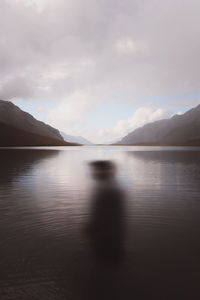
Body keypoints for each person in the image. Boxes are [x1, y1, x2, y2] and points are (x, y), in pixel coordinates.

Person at [86, 160, 125, 265]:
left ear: (104, 171)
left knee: (104, 263)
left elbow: (105, 215)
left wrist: (92, 227)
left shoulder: (108, 189)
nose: (93, 173)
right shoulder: (107, 187)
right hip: (110, 234)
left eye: (96, 170)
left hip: (107, 236)